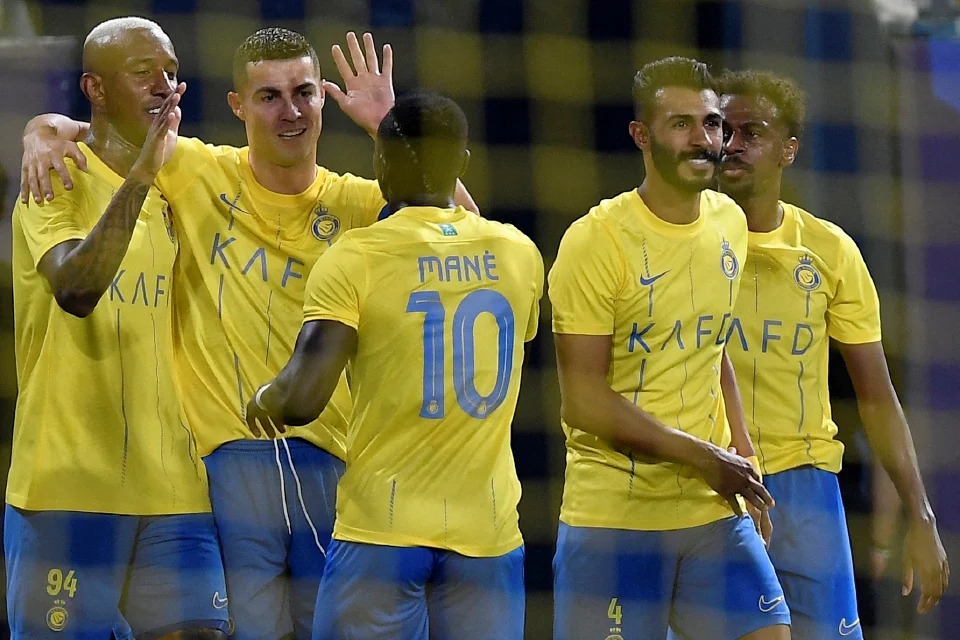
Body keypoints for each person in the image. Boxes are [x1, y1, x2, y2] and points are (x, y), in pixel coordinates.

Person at [21, 27, 479, 640]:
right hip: (225, 467)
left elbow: (467, 237)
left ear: (323, 99)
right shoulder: (193, 168)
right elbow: (113, 132)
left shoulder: (358, 203)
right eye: (269, 96)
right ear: (238, 105)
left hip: (331, 461)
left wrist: (386, 126)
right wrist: (43, 129)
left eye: (304, 92)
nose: (291, 111)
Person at [245, 91, 542, 640]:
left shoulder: (357, 256)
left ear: (380, 162)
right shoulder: (519, 253)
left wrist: (265, 397)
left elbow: (302, 399)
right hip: (489, 533)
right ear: (463, 164)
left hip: (383, 531)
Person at [548, 56, 790, 640]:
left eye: (711, 124)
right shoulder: (595, 241)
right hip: (616, 519)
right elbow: (583, 400)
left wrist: (743, 455)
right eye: (681, 124)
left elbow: (714, 343)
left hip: (711, 508)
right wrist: (706, 458)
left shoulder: (729, 221)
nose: (703, 139)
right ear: (641, 135)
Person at [5, 17, 227, 639]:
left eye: (171, 73)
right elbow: (76, 290)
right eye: (142, 73)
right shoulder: (53, 178)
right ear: (94, 89)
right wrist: (138, 174)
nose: (163, 86)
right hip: (68, 487)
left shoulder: (184, 180)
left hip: (175, 491)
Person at [717, 69, 949, 638]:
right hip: (713, 482)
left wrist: (920, 514)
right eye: (724, 130)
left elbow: (877, 396)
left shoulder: (829, 251)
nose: (733, 144)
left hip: (808, 492)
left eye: (753, 132)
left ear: (789, 150)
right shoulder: (685, 245)